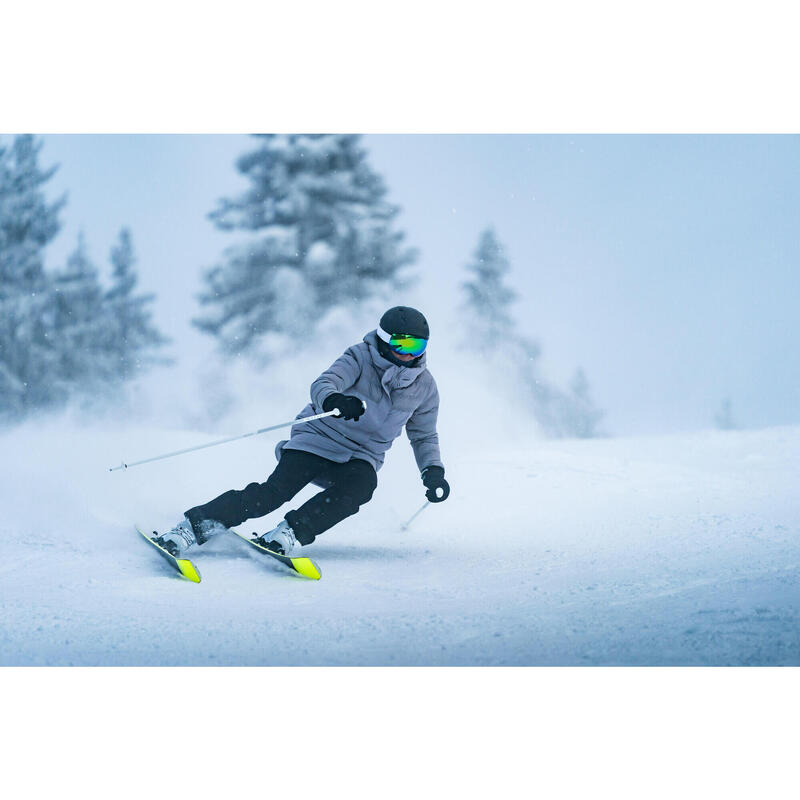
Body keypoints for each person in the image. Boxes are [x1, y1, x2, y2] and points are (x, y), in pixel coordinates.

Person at [156, 306, 450, 557]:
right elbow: (324, 383)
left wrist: (432, 471)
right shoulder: (360, 357)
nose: (409, 354)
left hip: (361, 455)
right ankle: (192, 527)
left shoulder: (425, 387)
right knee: (272, 494)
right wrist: (336, 400)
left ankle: (289, 533)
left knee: (362, 487)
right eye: (403, 345)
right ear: (384, 340)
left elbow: (424, 435)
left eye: (417, 347)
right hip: (318, 438)